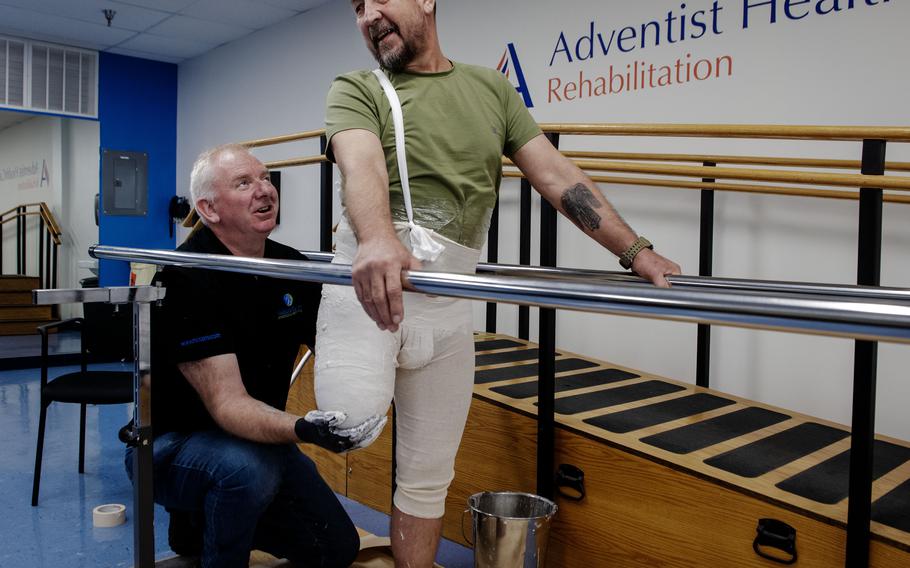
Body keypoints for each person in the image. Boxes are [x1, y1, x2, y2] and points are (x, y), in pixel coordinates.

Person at [316, 1, 682, 566]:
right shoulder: (356, 87)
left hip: (449, 305)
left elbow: (558, 177)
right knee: (347, 423)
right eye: (358, 7)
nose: (368, 14)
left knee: (428, 475)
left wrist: (636, 252)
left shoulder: (492, 89)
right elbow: (360, 162)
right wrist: (376, 238)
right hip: (370, 290)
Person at [125, 144, 386, 568]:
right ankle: (209, 537)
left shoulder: (291, 266)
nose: (264, 190)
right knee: (246, 470)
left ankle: (204, 526)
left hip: (257, 442)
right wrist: (306, 428)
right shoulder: (186, 277)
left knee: (335, 548)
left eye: (265, 178)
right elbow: (228, 406)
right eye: (244, 183)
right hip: (174, 447)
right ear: (208, 208)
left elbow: (337, 348)